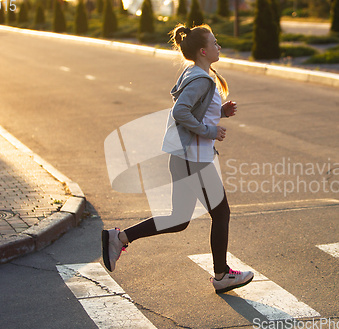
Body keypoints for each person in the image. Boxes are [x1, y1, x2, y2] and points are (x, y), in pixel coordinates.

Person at [102, 24, 254, 294]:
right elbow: (180, 112)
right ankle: (221, 275)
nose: (219, 47)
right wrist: (210, 130)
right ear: (203, 51)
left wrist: (219, 111)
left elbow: (194, 108)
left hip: (186, 157)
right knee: (221, 214)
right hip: (194, 158)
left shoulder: (195, 73)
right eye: (215, 43)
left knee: (179, 218)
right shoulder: (202, 79)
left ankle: (120, 237)